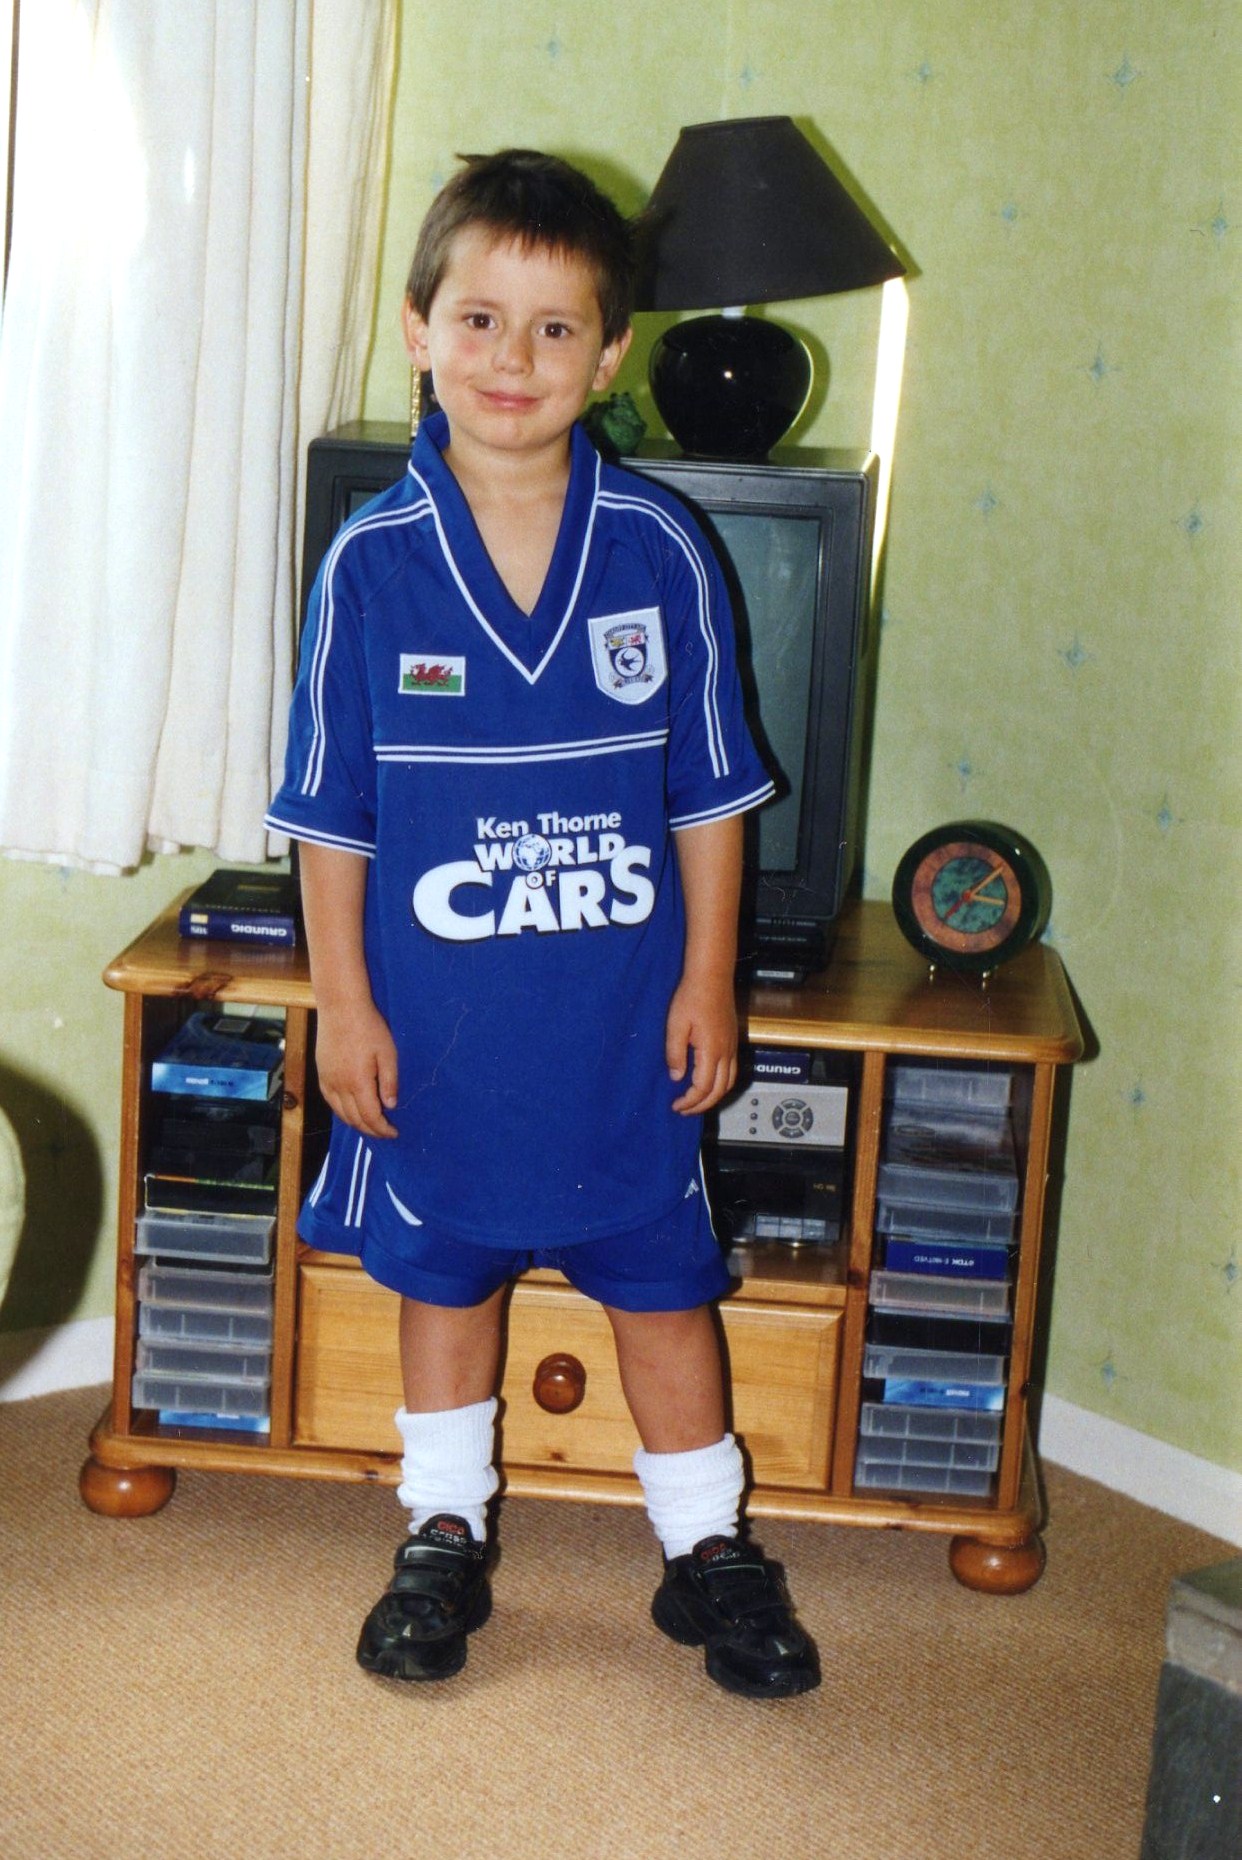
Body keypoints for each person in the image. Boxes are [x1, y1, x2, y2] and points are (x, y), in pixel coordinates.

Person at [266, 149, 819, 1700]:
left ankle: (706, 1549)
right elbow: (331, 820)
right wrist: (343, 1006)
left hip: (619, 1027)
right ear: (417, 329)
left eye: (556, 326)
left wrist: (708, 978)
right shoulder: (372, 566)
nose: (514, 358)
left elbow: (709, 796)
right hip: (436, 1033)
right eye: (480, 319)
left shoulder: (658, 548)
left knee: (664, 1289)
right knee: (443, 1281)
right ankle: (441, 1528)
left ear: (612, 352)